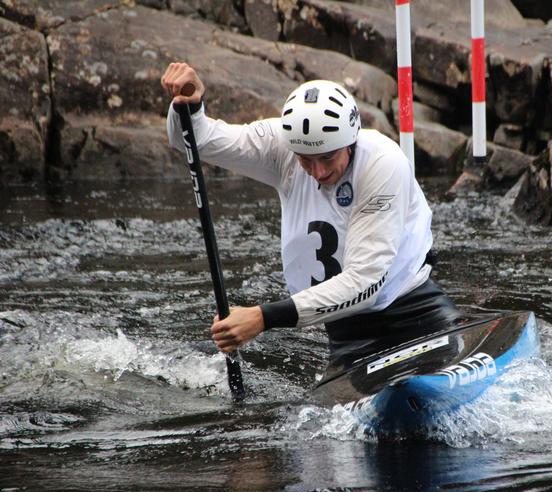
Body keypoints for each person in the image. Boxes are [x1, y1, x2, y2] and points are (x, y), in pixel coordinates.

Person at [161, 62, 462, 372]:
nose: (318, 172)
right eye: (306, 160)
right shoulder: (282, 145)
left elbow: (366, 283)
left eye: (328, 157)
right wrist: (191, 105)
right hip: (347, 332)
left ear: (350, 142)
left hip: (416, 311)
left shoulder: (383, 164)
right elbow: (195, 142)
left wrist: (263, 317)